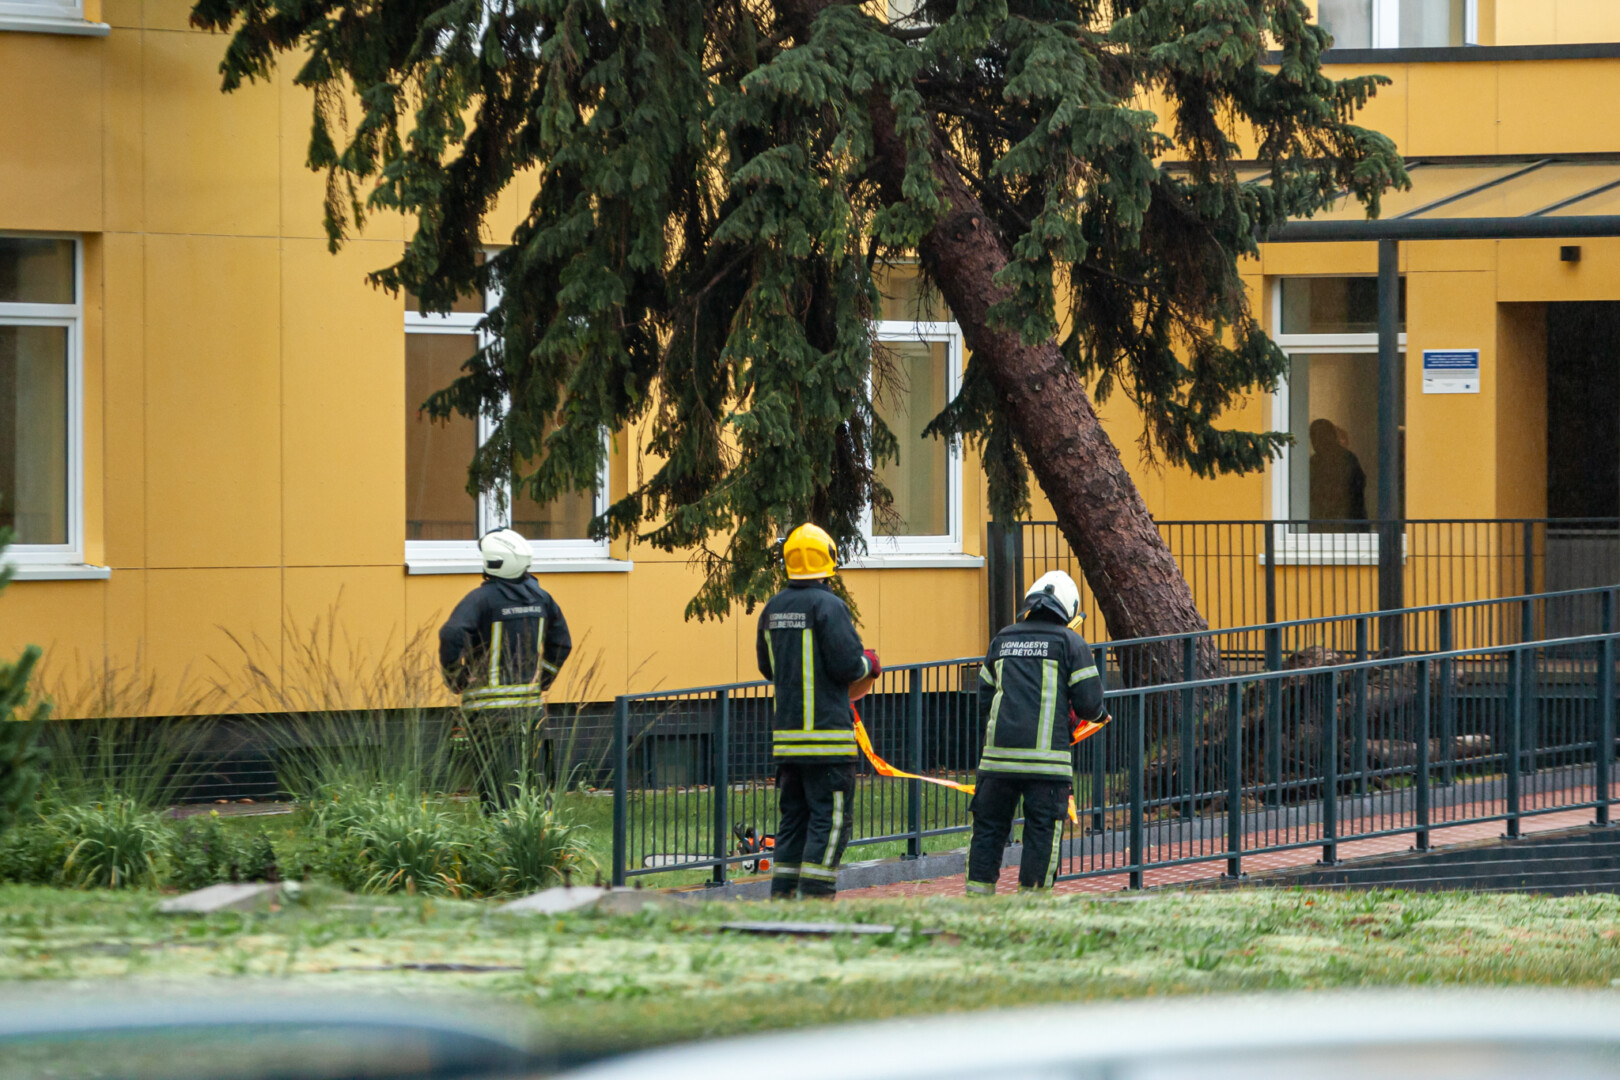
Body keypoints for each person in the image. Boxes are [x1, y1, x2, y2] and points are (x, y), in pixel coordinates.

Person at [756, 523, 880, 899]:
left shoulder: (772, 608)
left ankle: (783, 897)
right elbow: (848, 666)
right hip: (828, 742)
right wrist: (870, 662)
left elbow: (768, 667)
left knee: (793, 823)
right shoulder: (829, 606)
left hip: (788, 744)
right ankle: (815, 899)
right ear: (828, 558)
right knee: (830, 822)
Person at [966, 570, 1107, 895]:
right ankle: (1031, 905)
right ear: (1068, 608)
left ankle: (976, 902)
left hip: (997, 762)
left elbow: (984, 699)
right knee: (1042, 833)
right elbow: (1090, 705)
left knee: (988, 831)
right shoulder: (1071, 643)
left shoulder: (1002, 639)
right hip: (1047, 765)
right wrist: (1096, 714)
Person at [439, 527, 572, 806]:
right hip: (530, 708)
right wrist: (543, 680)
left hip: (487, 713)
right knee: (533, 778)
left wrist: (456, 677)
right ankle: (537, 828)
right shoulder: (541, 597)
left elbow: (451, 633)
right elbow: (562, 643)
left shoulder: (481, 599)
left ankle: (501, 828)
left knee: (493, 782)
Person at [1308, 418, 1368, 526]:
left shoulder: (1344, 459)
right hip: (1344, 523)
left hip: (1341, 523)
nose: (1314, 442)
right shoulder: (1348, 458)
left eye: (1316, 437)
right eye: (1313, 437)